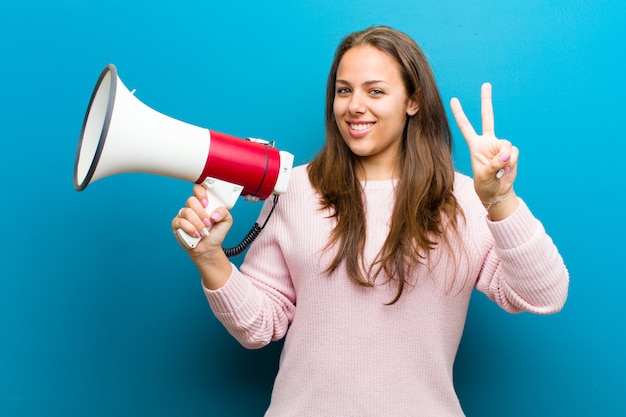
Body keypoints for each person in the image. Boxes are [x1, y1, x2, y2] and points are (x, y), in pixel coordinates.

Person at [172, 26, 569, 417]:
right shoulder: (293, 189)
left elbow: (544, 295)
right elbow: (259, 327)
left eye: (375, 91)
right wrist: (211, 259)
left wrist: (500, 200)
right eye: (344, 90)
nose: (354, 106)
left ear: (413, 101)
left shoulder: (462, 198)